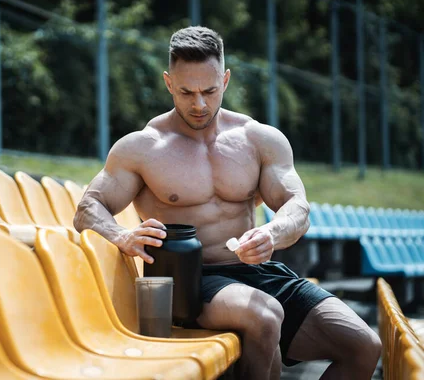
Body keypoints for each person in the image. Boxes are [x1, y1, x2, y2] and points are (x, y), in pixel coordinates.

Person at [73, 26, 381, 380]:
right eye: (187, 92)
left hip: (256, 273)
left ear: (226, 79)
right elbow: (88, 208)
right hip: (188, 280)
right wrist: (121, 235)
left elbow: (297, 207)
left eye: (209, 90)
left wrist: (271, 233)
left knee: (363, 347)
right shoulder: (142, 147)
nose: (199, 104)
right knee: (264, 314)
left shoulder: (259, 139)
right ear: (169, 83)